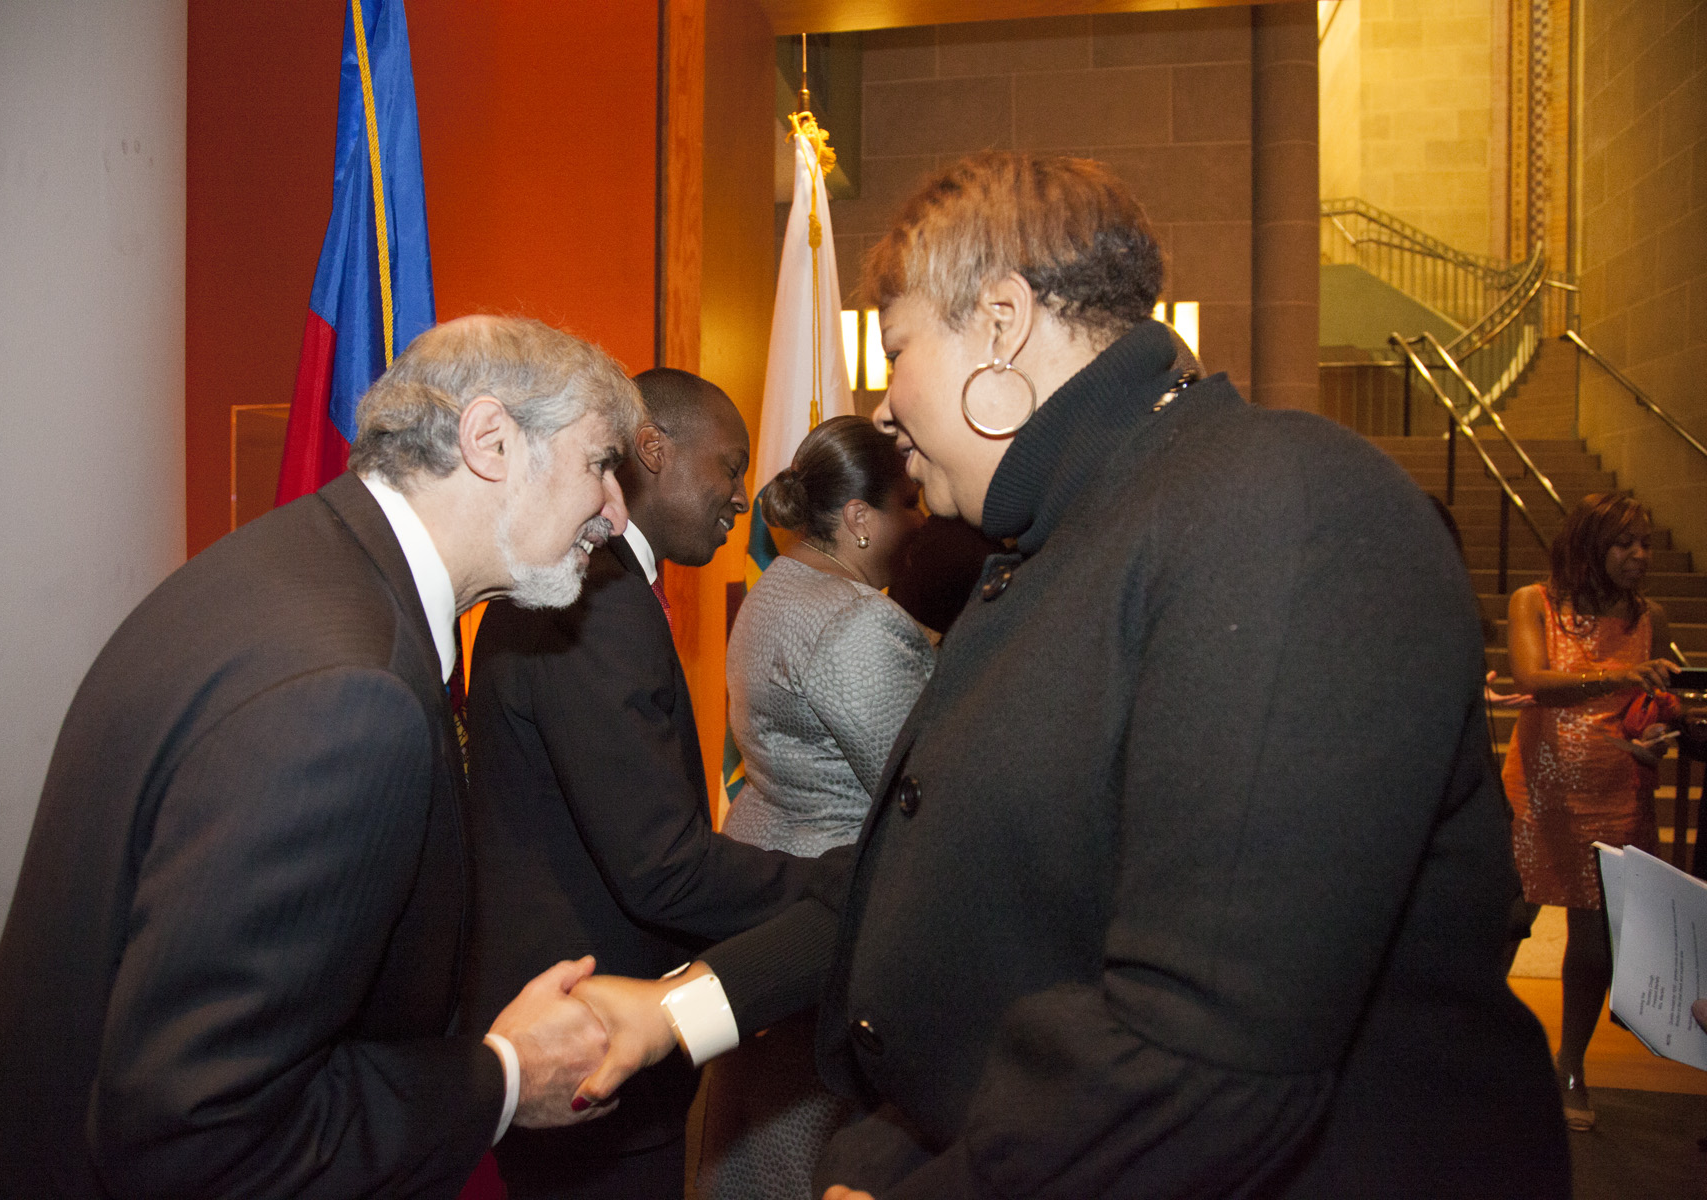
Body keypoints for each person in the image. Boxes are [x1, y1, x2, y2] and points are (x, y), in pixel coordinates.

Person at [567, 152, 1568, 1199]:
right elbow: (918, 881)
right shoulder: (1058, 543)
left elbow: (1204, 1060)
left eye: (898, 350)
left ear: (1001, 323)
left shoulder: (1282, 512)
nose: (886, 410)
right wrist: (678, 1009)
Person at [0, 315, 640, 1198]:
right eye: (601, 462)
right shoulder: (348, 699)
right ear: (490, 441)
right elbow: (203, 1137)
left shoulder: (288, 565)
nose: (615, 510)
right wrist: (504, 1079)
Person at [458, 367, 818, 1200]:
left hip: (586, 1032)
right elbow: (664, 868)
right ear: (653, 449)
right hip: (586, 1043)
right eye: (730, 466)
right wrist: (840, 884)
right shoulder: (593, 595)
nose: (743, 498)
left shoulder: (596, 583)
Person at [699, 416, 934, 1200]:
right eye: (908, 502)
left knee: (763, 1132)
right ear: (861, 518)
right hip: (831, 904)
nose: (921, 519)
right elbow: (920, 787)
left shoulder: (779, 584)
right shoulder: (858, 622)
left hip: (768, 870)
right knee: (817, 1149)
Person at [1502, 490, 1679, 1131]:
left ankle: (1571, 1066)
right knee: (1505, 922)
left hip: (1616, 792)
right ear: (1589, 544)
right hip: (1541, 788)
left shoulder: (1651, 617)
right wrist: (1619, 677)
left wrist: (1658, 732)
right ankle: (1474, 1050)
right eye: (1624, 542)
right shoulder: (1535, 602)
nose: (1640, 555)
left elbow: (1657, 705)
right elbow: (1532, 680)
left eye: (1646, 543)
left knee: (1594, 944)